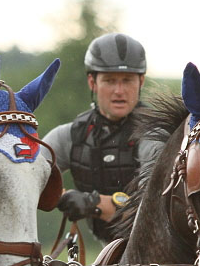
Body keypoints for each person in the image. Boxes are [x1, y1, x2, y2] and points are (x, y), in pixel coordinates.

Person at [42, 32, 162, 242]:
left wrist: (91, 203)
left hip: (160, 256)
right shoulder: (70, 136)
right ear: (92, 82)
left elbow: (149, 210)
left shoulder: (155, 136)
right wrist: (59, 195)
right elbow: (26, 176)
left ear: (141, 81)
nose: (119, 91)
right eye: (109, 80)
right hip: (107, 255)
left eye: (127, 80)